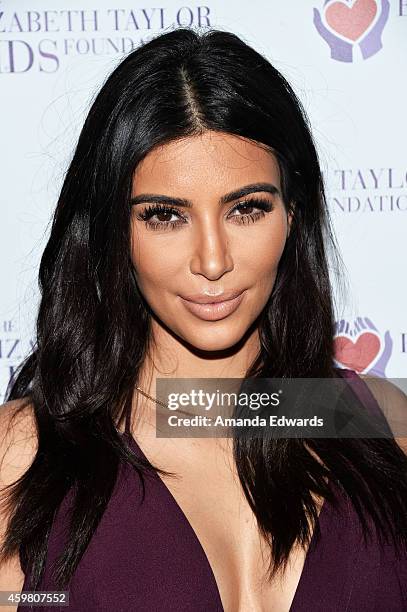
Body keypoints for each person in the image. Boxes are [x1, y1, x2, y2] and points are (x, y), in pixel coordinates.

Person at [1, 27, 406, 612]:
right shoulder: (23, 460)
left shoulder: (378, 425)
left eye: (247, 209)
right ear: (114, 232)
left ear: (293, 214)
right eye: (166, 216)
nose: (212, 261)